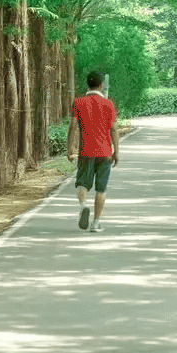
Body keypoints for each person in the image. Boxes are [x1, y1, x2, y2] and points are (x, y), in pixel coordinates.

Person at [67, 70, 119, 233]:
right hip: (105, 153)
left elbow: (73, 126)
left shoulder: (79, 102)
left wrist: (70, 149)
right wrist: (116, 151)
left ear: (87, 85)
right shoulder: (109, 104)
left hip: (86, 152)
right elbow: (114, 129)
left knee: (82, 184)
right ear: (101, 85)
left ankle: (83, 206)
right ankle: (96, 223)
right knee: (101, 189)